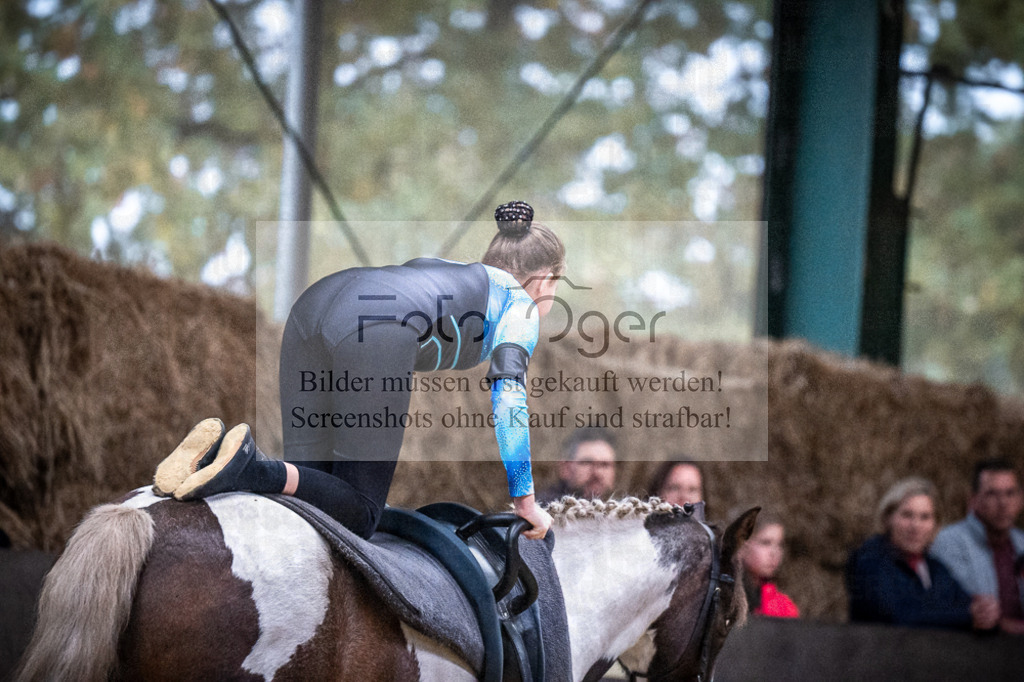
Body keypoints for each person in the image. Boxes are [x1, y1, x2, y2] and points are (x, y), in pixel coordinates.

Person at [154, 200, 564, 540]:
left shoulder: (452, 270)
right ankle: (248, 466)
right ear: (545, 280)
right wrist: (526, 503)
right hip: (374, 328)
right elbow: (509, 396)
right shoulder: (520, 304)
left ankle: (210, 457)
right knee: (360, 513)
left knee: (312, 493)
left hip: (313, 306)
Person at [846, 476, 999, 630]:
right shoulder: (870, 562)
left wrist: (986, 614)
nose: (915, 526)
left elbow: (966, 608)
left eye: (925, 517)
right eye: (907, 515)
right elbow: (899, 617)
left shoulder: (936, 570)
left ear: (936, 525)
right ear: (888, 519)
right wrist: (967, 618)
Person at [930, 458, 1024, 634]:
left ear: (1021, 499)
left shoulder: (1021, 544)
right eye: (992, 494)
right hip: (972, 652)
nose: (1003, 503)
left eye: (1010, 493)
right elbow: (966, 609)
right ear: (973, 500)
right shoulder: (949, 543)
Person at [739, 510, 799, 618]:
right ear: (741, 546)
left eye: (780, 545)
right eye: (765, 543)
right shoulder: (718, 597)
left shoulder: (784, 607)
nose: (774, 553)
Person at [535, 427, 617, 503]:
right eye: (587, 463)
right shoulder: (544, 510)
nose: (597, 473)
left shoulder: (623, 512)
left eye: (605, 465)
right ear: (565, 468)